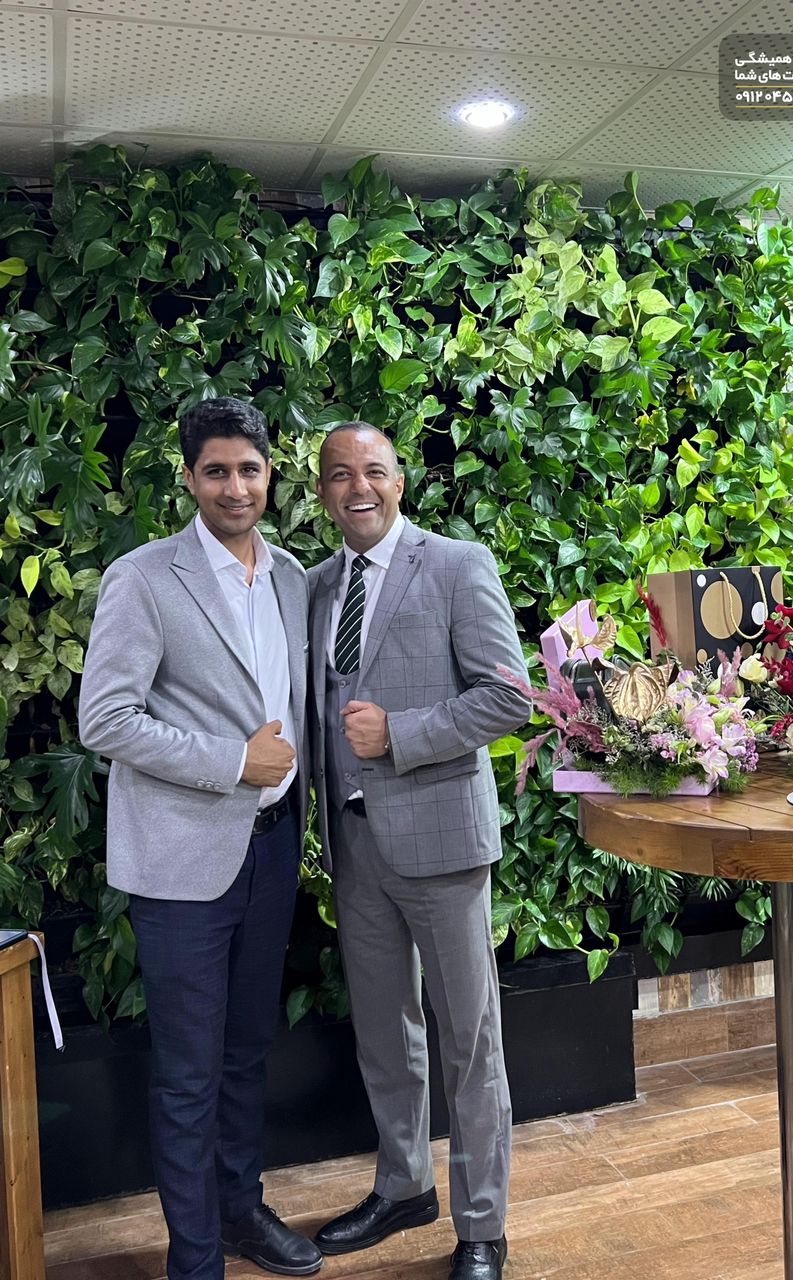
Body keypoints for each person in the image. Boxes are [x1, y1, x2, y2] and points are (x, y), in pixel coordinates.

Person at [78, 398, 323, 1280]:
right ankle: (195, 1261)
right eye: (215, 471)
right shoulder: (143, 578)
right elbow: (105, 719)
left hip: (273, 846)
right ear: (188, 478)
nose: (234, 487)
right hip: (182, 860)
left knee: (247, 1052)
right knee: (188, 1074)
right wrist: (232, 762)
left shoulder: (293, 578)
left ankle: (240, 1212)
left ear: (270, 475)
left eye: (248, 469)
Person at [307, 422, 529, 1280]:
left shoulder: (457, 564)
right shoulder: (316, 587)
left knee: (469, 1041)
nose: (357, 487)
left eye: (373, 471)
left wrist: (400, 733)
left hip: (441, 841)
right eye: (339, 475)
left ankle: (482, 1225)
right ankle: (402, 1187)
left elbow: (508, 698)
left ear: (399, 483)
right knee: (383, 1032)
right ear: (322, 493)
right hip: (354, 844)